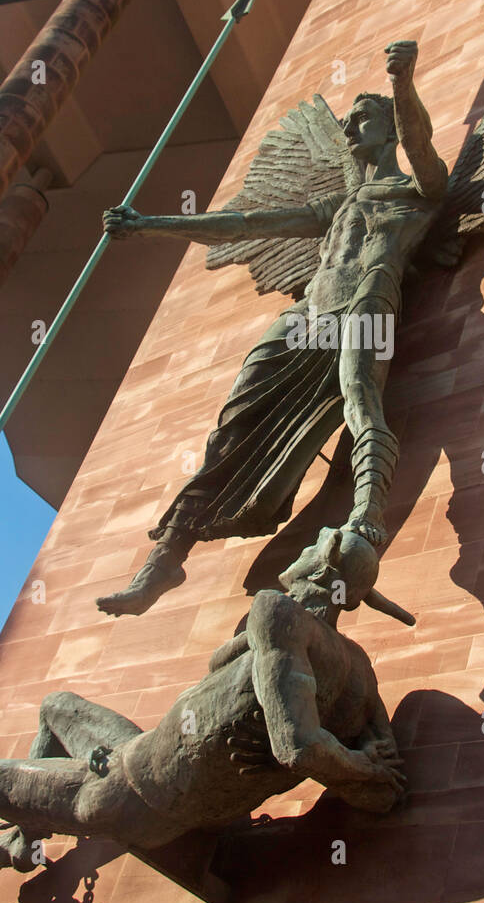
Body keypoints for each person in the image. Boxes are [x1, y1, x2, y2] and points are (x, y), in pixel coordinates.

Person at [96, 40, 447, 616]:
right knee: (233, 425)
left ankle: (366, 517)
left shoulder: (417, 193)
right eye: (350, 119)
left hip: (367, 303)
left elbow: (422, 144)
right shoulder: (337, 205)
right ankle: (166, 558)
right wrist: (150, 225)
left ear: (387, 129)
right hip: (306, 315)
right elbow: (245, 223)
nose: (350, 128)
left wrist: (403, 81)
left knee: (361, 400)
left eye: (363, 119)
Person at [0, 528, 411, 894]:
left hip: (118, 795)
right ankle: (28, 828)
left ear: (319, 566)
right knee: (56, 705)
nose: (297, 552)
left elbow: (297, 748)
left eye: (310, 546)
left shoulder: (277, 613)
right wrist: (360, 763)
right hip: (134, 758)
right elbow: (380, 790)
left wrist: (341, 761)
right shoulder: (357, 672)